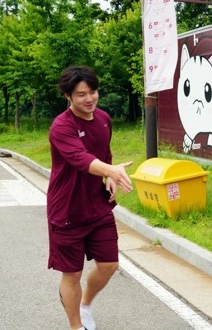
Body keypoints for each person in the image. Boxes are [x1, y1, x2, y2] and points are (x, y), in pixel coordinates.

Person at [47, 66, 133, 330]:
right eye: (81, 94)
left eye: (92, 92)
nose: (89, 99)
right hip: (67, 210)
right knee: (72, 273)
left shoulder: (104, 119)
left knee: (109, 264)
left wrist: (108, 175)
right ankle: (77, 326)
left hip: (97, 205)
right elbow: (80, 158)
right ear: (68, 97)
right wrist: (111, 171)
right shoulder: (61, 126)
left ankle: (85, 305)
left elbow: (103, 153)